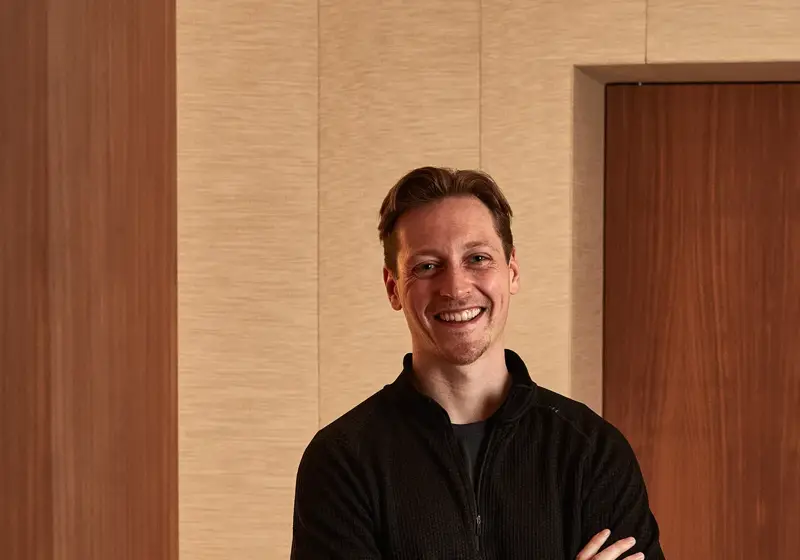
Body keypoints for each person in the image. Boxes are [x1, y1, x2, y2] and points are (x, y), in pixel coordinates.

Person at [290, 166, 666, 559]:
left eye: (478, 258)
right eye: (427, 266)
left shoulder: (593, 452)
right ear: (393, 288)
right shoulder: (343, 459)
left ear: (512, 271)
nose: (455, 288)